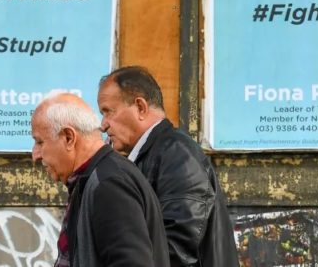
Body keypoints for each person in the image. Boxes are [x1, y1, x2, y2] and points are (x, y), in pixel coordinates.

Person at [98, 66, 240, 267]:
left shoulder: (176, 152)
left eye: (108, 111)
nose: (103, 124)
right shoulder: (155, 153)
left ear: (140, 107)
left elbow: (177, 246)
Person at [31, 92, 169, 267]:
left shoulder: (109, 184)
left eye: (39, 142)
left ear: (68, 137)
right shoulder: (93, 179)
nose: (35, 155)